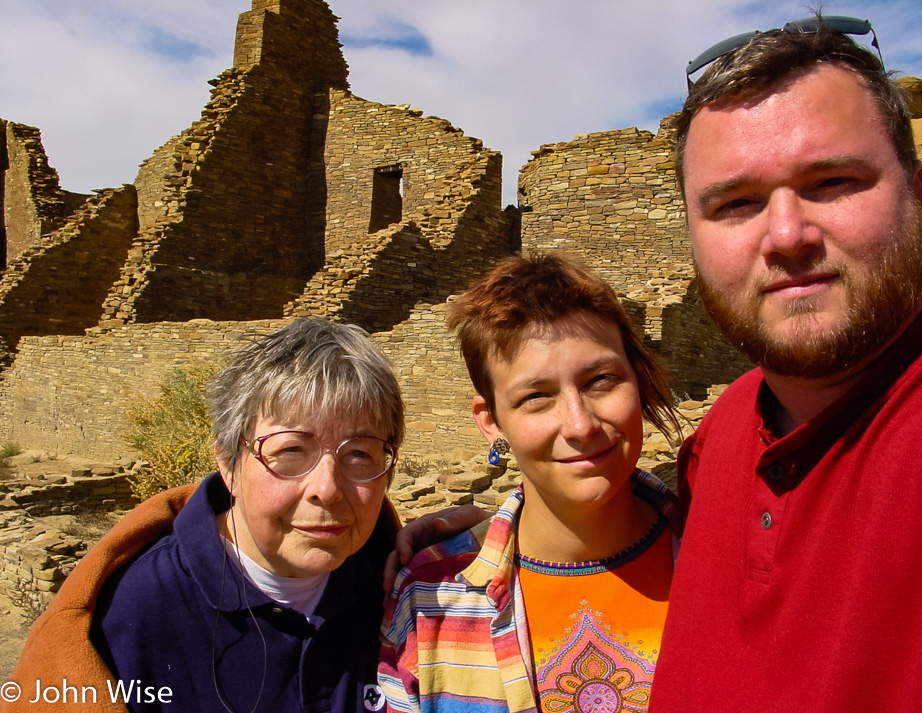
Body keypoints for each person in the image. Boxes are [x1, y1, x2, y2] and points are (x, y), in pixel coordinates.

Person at [647, 16, 922, 712]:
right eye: (737, 202)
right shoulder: (715, 441)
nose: (786, 235)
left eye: (833, 180)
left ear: (918, 190)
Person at [6, 317, 404, 713]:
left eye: (359, 453)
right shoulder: (132, 615)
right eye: (291, 451)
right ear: (229, 464)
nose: (327, 489)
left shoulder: (403, 593)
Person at [378, 252, 681, 713]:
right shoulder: (428, 601)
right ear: (491, 420)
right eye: (537, 397)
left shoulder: (727, 560)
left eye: (601, 380)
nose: (580, 425)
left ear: (637, 382)